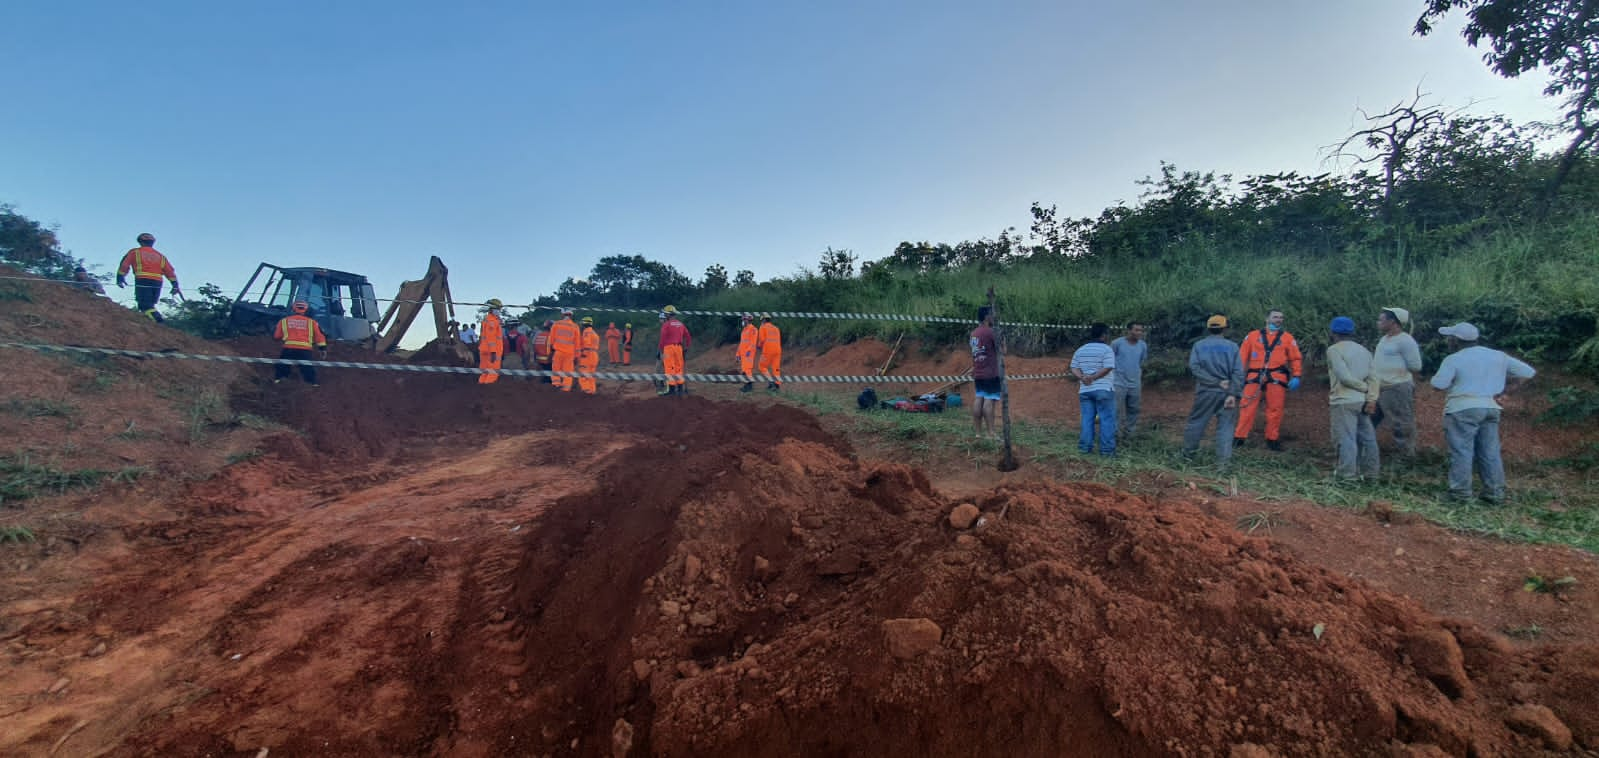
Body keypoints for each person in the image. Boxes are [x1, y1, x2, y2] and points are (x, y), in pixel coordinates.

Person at [1430, 322, 1536, 504]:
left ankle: (1460, 494)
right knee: (1490, 451)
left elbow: (1438, 384)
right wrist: (1507, 391)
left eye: (1450, 338)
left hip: (1462, 407)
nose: (1448, 341)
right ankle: (1494, 494)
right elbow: (1528, 372)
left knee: (1461, 451)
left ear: (1456, 340)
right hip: (1491, 407)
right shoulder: (1497, 356)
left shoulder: (1454, 359)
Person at [1235, 309, 1304, 451]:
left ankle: (1272, 439)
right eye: (1275, 317)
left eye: (1281, 317)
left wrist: (1296, 375)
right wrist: (1238, 376)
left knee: (1275, 408)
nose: (1279, 319)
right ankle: (1239, 438)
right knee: (1247, 406)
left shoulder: (1287, 338)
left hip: (1276, 376)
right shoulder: (1252, 336)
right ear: (1267, 319)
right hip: (1254, 376)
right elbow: (1242, 357)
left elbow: (1295, 358)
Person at [1183, 315, 1245, 468]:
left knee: (1196, 423)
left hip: (1205, 391)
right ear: (1225, 328)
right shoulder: (1233, 346)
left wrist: (1215, 382)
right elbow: (1239, 372)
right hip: (1227, 394)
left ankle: (1187, 459)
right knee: (1226, 427)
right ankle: (1222, 465)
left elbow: (1195, 368)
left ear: (1208, 328)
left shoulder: (1198, 345)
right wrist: (1232, 393)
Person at [1326, 317, 1380, 481]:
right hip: (1362, 401)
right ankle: (1371, 474)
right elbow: (1374, 378)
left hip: (1343, 400)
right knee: (1368, 438)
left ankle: (1347, 475)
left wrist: (1364, 388)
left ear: (1333, 332)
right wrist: (1371, 397)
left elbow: (1344, 377)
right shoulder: (1364, 351)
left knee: (1346, 438)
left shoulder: (1334, 350)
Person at [1372, 307, 1423, 457]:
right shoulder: (1384, 339)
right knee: (1369, 419)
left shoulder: (1405, 340)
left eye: (1381, 320)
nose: (1378, 322)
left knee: (1401, 422)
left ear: (1392, 322)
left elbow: (1415, 365)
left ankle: (1406, 456)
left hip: (1396, 387)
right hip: (1380, 387)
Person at [1071, 323, 1117, 456]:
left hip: (1085, 391)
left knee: (1087, 419)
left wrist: (1082, 377)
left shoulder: (1081, 350)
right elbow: (1108, 367)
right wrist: (1093, 377)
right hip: (1103, 389)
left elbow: (1073, 367)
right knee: (1107, 420)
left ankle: (1084, 449)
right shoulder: (1107, 349)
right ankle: (1107, 452)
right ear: (1104, 335)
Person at [116, 232, 182, 322]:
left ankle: (158, 322)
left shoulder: (135, 252)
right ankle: (151, 323)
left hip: (143, 280)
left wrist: (120, 278)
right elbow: (170, 271)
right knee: (150, 305)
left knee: (144, 305)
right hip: (157, 282)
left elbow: (124, 265)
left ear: (140, 242)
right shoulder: (160, 256)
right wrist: (175, 285)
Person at [272, 300, 327, 386]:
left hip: (288, 348)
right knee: (307, 368)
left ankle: (278, 381)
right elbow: (320, 337)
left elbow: (276, 336)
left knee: (282, 366)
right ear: (306, 309)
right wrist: (322, 349)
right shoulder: (312, 322)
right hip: (305, 350)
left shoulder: (284, 321)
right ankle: (312, 384)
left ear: (293, 309)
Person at [1110, 322, 1148, 437]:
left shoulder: (1142, 345)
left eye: (1141, 330)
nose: (1139, 333)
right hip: (1118, 382)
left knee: (1134, 409)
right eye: (1136, 330)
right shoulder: (1117, 343)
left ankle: (1129, 433)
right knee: (1115, 409)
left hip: (1135, 383)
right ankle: (1114, 434)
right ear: (1129, 330)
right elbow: (1109, 360)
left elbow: (1142, 361)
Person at [969, 306, 1001, 439]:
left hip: (978, 371)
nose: (994, 317)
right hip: (990, 372)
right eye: (992, 315)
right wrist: (1003, 339)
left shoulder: (974, 333)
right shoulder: (990, 332)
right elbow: (1002, 351)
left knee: (979, 399)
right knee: (989, 401)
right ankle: (991, 433)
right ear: (987, 316)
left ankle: (978, 433)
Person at [658, 305, 692, 396]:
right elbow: (688, 336)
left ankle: (671, 390)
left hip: (668, 348)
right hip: (679, 348)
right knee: (679, 368)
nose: (665, 315)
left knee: (669, 368)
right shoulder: (681, 324)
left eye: (665, 314)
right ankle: (680, 389)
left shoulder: (666, 324)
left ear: (668, 315)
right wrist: (686, 347)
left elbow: (662, 339)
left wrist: (661, 350)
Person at [548, 309, 581, 392]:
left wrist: (550, 352)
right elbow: (577, 344)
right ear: (571, 315)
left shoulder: (556, 324)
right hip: (570, 353)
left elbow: (551, 340)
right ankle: (566, 388)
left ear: (562, 315)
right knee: (568, 371)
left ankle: (556, 384)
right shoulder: (575, 326)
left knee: (556, 369)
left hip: (558, 352)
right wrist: (577, 356)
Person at [477, 300, 505, 385]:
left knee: (485, 372)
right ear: (492, 309)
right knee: (493, 373)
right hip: (492, 351)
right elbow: (491, 338)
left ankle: (481, 387)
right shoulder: (492, 322)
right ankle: (488, 389)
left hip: (485, 350)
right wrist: (493, 352)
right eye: (497, 309)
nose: (499, 311)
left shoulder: (488, 320)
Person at [757, 313, 783, 392]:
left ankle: (771, 382)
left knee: (761, 366)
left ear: (764, 320)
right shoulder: (776, 328)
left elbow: (762, 340)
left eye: (761, 320)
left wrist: (758, 346)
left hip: (768, 350)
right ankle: (777, 385)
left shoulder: (762, 327)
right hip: (777, 350)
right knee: (776, 368)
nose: (761, 322)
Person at [578, 316, 601, 394]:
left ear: (584, 323)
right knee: (591, 375)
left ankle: (586, 391)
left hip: (587, 355)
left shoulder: (586, 331)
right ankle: (592, 390)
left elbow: (586, 344)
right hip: (594, 355)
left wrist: (583, 353)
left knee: (583, 373)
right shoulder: (594, 333)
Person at [737, 313, 759, 392]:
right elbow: (741, 343)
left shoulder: (753, 329)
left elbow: (753, 342)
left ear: (748, 320)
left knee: (748, 370)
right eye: (743, 319)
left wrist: (749, 351)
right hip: (743, 354)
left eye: (744, 319)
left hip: (749, 354)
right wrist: (738, 354)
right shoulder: (743, 331)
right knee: (744, 370)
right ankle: (746, 385)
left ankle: (749, 387)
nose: (743, 321)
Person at [532, 320, 554, 384]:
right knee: (549, 376)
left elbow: (535, 347)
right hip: (548, 359)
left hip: (539, 359)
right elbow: (553, 348)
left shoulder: (539, 335)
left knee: (543, 375)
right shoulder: (550, 336)